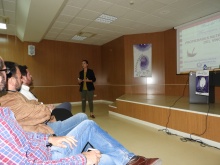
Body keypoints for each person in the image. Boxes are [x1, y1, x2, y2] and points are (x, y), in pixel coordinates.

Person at [0, 57, 162, 164]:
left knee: (89, 125)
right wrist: (81, 159)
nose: (22, 78)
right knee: (95, 137)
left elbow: (25, 133)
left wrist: (48, 140)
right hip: (50, 155)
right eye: (2, 71)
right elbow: (38, 111)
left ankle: (127, 157)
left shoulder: (5, 113)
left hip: (46, 143)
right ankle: (128, 158)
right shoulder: (6, 105)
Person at [0, 61, 88, 136]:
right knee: (82, 117)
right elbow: (35, 111)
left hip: (44, 124)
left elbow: (33, 103)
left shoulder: (14, 95)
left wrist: (43, 108)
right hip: (42, 130)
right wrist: (47, 109)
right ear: (11, 80)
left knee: (83, 123)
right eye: (19, 78)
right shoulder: (8, 99)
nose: (21, 80)